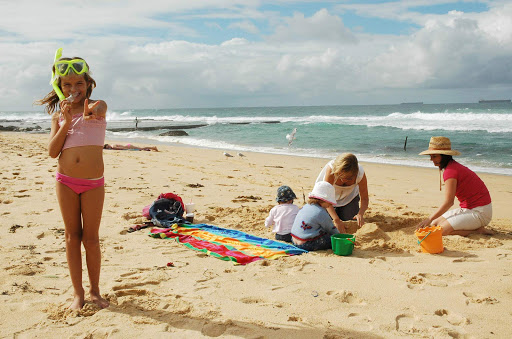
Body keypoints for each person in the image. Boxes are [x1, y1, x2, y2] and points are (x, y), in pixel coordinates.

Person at [36, 50, 109, 310]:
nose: (73, 88)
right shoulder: (58, 117)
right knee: (71, 236)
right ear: (59, 86)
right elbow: (52, 152)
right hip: (65, 181)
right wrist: (66, 122)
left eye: (79, 83)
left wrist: (91, 109)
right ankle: (78, 293)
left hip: (93, 183)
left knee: (91, 238)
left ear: (88, 84)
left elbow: (99, 108)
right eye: (67, 84)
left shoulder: (98, 107)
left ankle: (95, 291)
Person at [417, 136, 493, 236]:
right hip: (468, 209)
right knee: (434, 224)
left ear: (444, 156)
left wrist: (429, 218)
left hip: (480, 212)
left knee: (441, 231)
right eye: (430, 156)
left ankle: (478, 231)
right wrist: (431, 220)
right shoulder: (451, 167)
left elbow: (449, 202)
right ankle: (473, 227)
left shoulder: (451, 171)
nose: (431, 159)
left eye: (434, 156)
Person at [315, 153, 369, 233]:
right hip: (327, 198)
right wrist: (336, 219)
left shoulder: (360, 173)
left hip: (349, 197)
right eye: (340, 177)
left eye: (349, 178)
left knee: (349, 218)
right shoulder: (331, 170)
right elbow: (325, 198)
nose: (344, 180)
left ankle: (341, 210)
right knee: (324, 220)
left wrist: (360, 213)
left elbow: (365, 198)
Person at [291, 181, 340, 251]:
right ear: (324, 200)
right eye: (330, 203)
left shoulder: (306, 206)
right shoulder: (321, 212)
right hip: (306, 244)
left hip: (294, 239)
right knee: (329, 239)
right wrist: (339, 236)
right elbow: (331, 228)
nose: (330, 205)